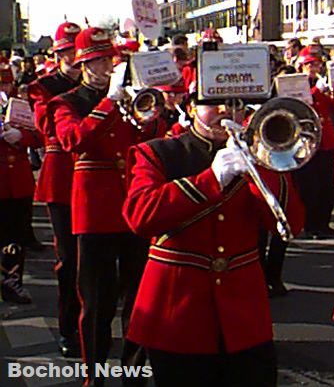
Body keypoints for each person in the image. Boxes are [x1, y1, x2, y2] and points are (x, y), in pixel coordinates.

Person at [122, 87, 304, 387]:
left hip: (244, 312)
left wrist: (262, 167)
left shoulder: (260, 156)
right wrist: (213, 178)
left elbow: (291, 224)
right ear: (192, 107)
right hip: (178, 311)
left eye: (235, 104)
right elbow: (140, 217)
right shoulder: (160, 153)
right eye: (214, 103)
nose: (225, 112)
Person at [49, 28, 164, 386]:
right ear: (83, 64)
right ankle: (94, 375)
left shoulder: (127, 99)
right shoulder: (67, 102)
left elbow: (149, 143)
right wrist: (110, 102)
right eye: (98, 61)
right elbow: (73, 140)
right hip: (94, 212)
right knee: (96, 303)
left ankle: (134, 373)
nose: (106, 67)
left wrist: (155, 116)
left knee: (138, 299)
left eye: (108, 60)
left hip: (132, 205)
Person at [26, 21, 82, 356]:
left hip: (105, 180)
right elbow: (48, 127)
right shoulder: (44, 87)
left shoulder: (105, 86)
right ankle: (69, 330)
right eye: (69, 52)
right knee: (70, 260)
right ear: (58, 54)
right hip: (63, 178)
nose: (76, 59)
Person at [0, 62, 41, 305]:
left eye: (6, 83)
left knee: (14, 238)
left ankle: (12, 282)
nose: (4, 87)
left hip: (18, 181)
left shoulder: (22, 105)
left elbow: (39, 135)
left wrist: (21, 136)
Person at [293, 47, 334, 239]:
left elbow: (332, 108)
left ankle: (324, 223)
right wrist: (316, 91)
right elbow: (300, 103)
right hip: (307, 142)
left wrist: (332, 93)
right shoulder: (295, 84)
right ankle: (311, 225)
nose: (314, 67)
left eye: (317, 64)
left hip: (327, 141)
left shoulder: (322, 84)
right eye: (310, 64)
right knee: (311, 188)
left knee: (328, 186)